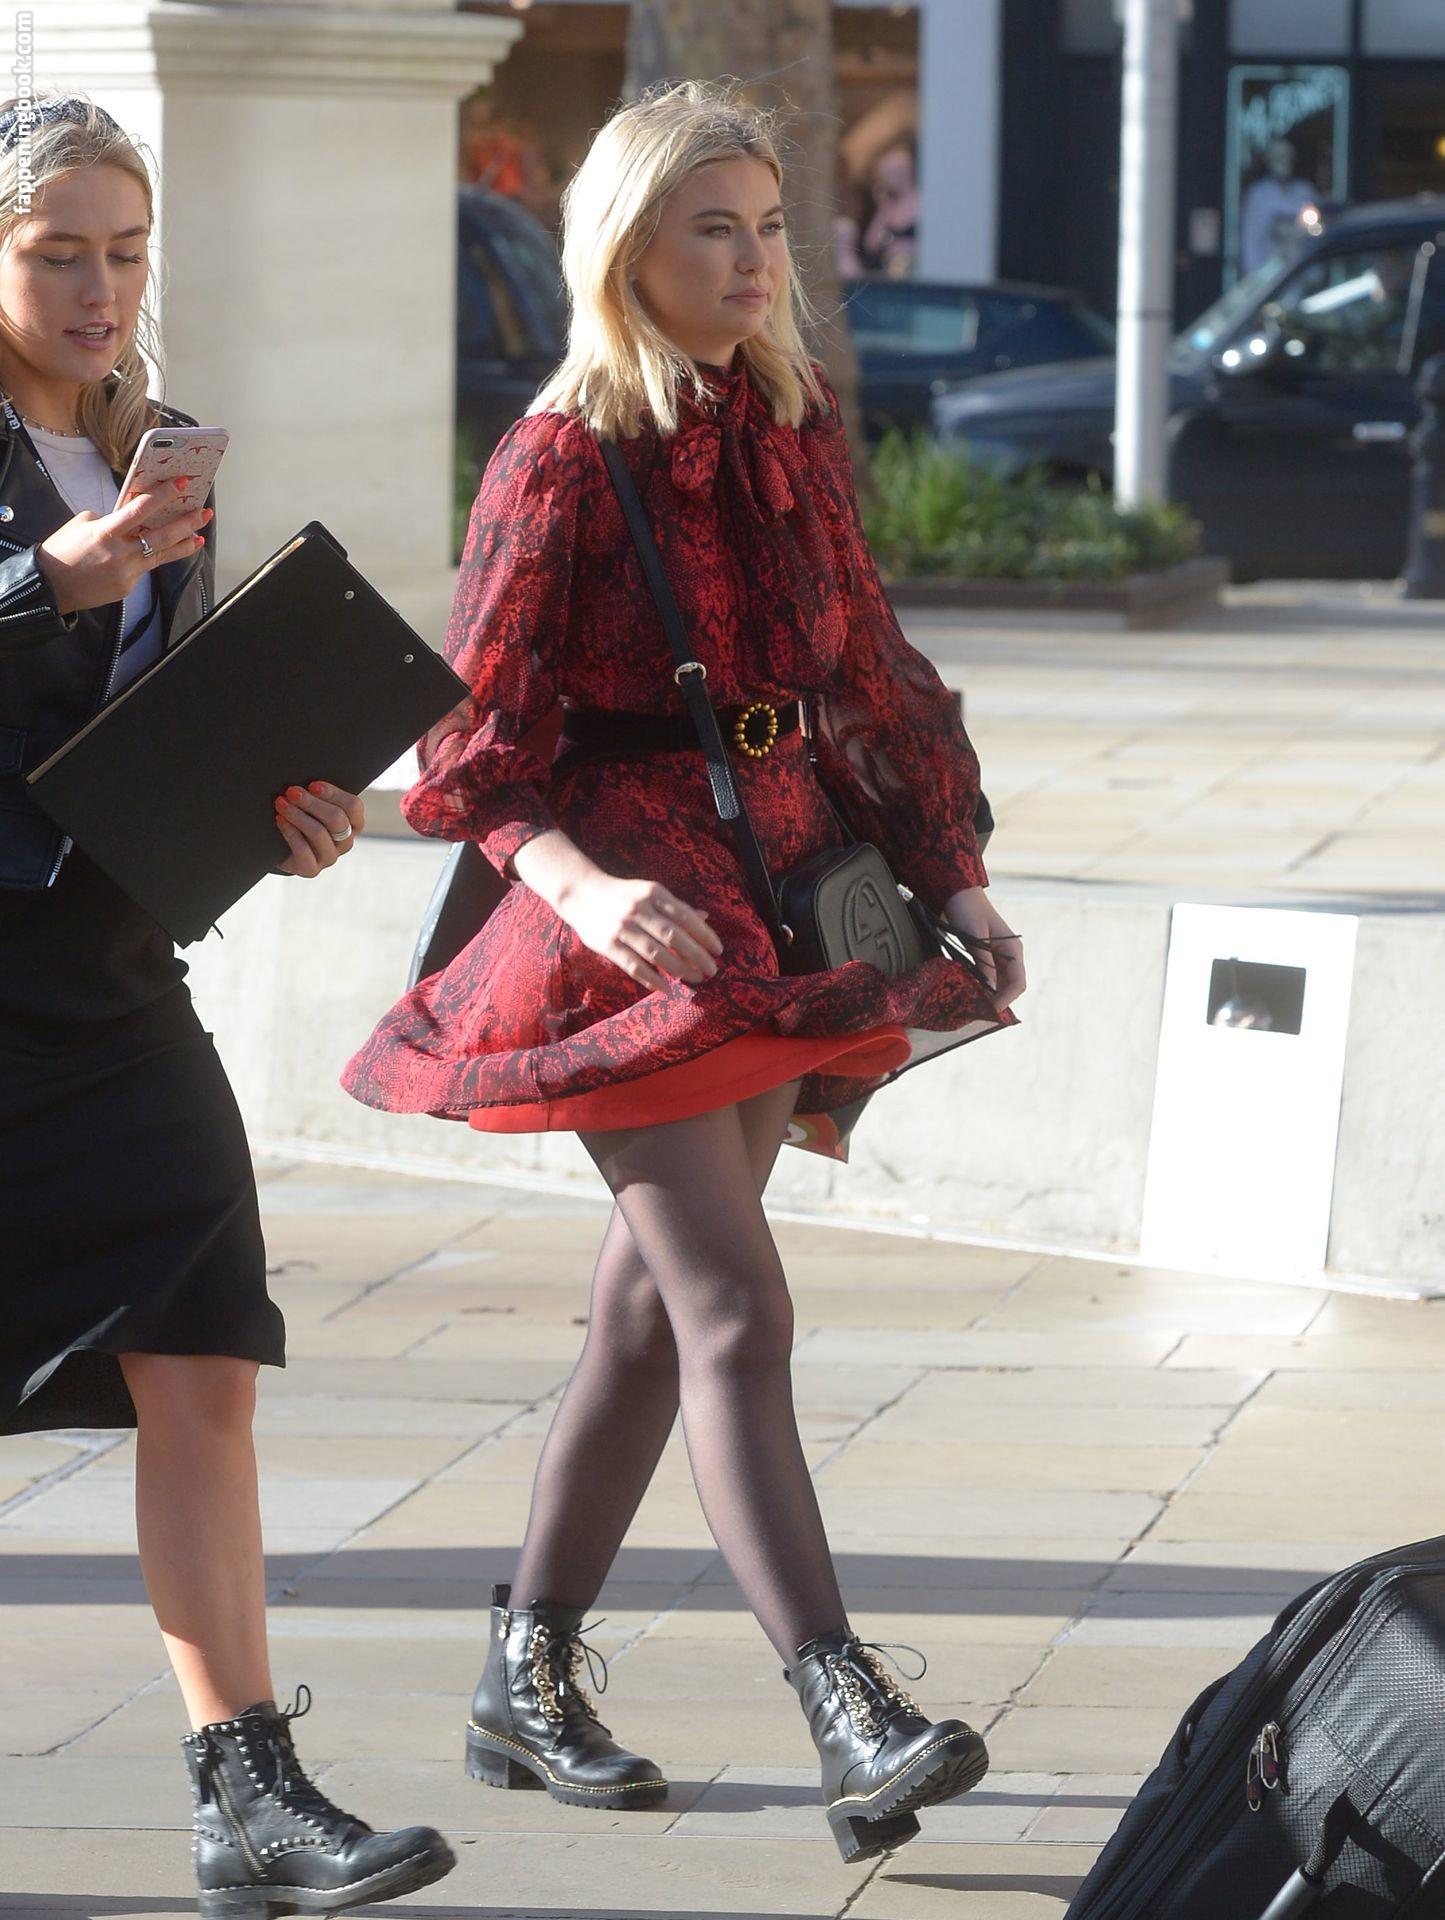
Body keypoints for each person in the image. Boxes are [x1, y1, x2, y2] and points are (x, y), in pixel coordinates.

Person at [343, 80, 1025, 1865]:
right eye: (709, 228)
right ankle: (846, 1708)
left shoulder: (783, 424)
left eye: (767, 226)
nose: (750, 259)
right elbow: (468, 747)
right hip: (631, 943)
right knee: (734, 1308)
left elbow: (869, 675)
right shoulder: (559, 456)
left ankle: (524, 1677)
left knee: (652, 1319)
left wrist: (953, 878)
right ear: (625, 249)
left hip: (785, 905)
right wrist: (582, 892)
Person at [0, 95, 456, 1914]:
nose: (101, 288)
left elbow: (149, 735)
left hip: (111, 978)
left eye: (126, 251)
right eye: (59, 253)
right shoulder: (72, 505)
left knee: (202, 1359)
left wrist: (280, 812)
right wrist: (48, 580)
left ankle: (247, 1792)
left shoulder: (156, 458)